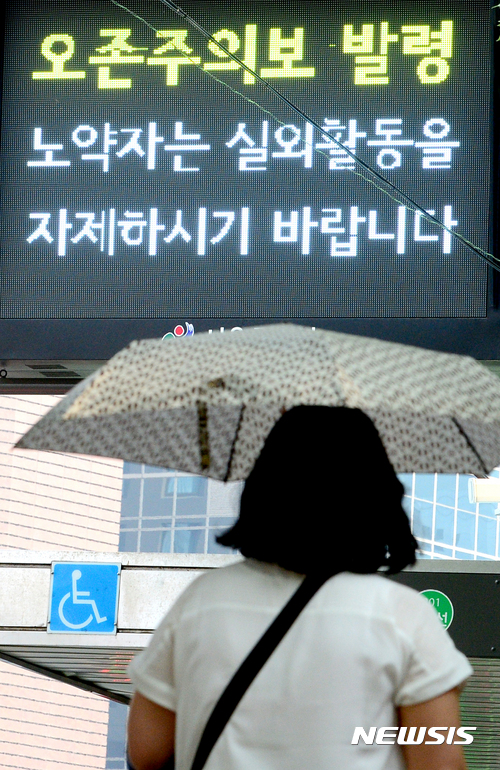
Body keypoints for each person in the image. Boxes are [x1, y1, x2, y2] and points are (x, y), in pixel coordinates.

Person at [127, 406, 472, 770]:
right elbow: (441, 762)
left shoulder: (202, 600)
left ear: (264, 486)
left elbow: (146, 749)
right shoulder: (401, 614)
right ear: (376, 496)